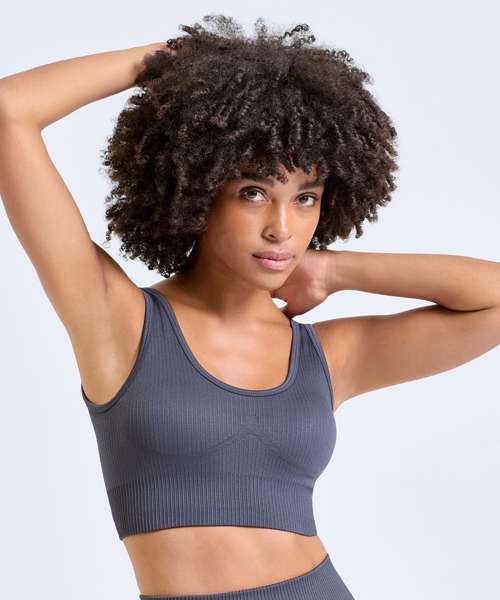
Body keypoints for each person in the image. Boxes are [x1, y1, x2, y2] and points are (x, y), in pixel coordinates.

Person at [1, 13, 499, 600]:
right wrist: (178, 62)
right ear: (196, 189)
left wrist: (335, 269)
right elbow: (10, 111)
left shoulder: (326, 357)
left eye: (306, 198)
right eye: (253, 193)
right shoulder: (120, 322)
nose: (282, 228)